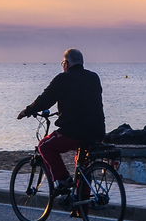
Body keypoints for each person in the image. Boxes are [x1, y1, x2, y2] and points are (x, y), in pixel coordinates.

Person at [16, 48, 105, 195]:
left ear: (67, 63)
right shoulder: (94, 77)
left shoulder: (63, 78)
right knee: (83, 168)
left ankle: (63, 179)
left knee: (44, 146)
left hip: (73, 132)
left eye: (63, 63)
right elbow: (86, 101)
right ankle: (81, 207)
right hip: (98, 131)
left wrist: (28, 111)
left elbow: (44, 100)